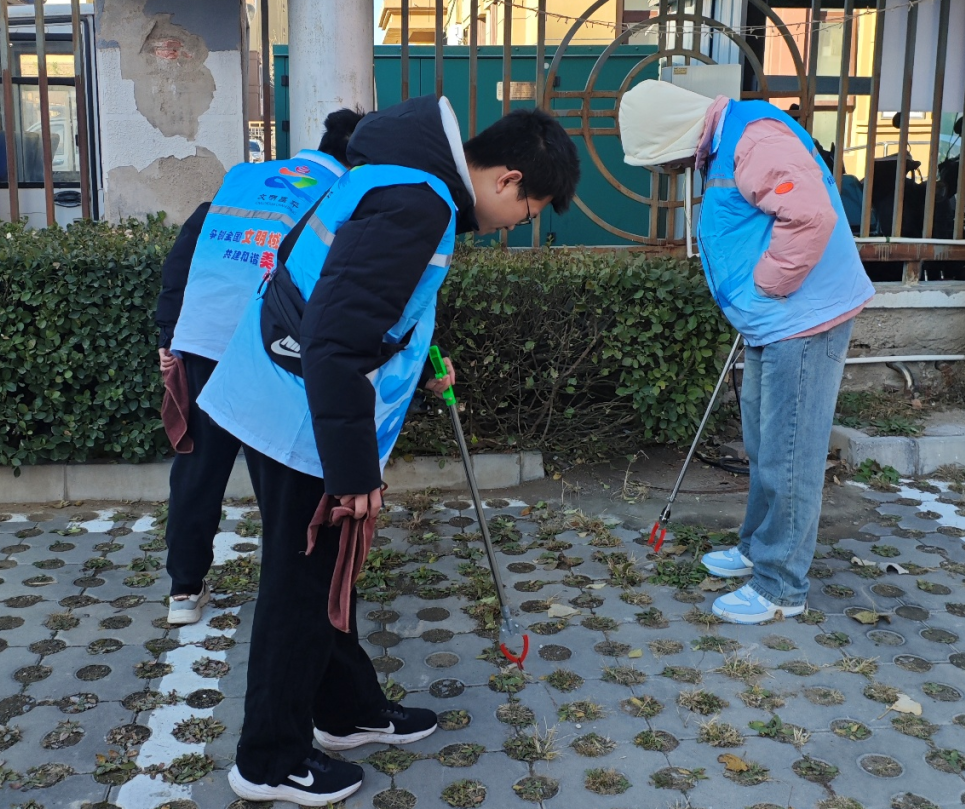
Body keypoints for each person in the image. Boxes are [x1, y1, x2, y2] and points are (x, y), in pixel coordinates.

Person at [197, 94, 580, 806]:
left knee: (321, 578)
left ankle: (346, 711)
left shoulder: (405, 179)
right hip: (298, 414)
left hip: (285, 391)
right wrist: (354, 474)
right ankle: (269, 758)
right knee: (300, 588)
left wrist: (420, 351)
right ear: (509, 179)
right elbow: (335, 338)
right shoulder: (418, 203)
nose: (516, 225)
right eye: (528, 211)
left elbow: (363, 296)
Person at [617, 80, 874, 625]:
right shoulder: (726, 143)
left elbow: (810, 215)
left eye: (664, 161)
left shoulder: (753, 139)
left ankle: (781, 586)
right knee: (765, 445)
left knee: (790, 454)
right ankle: (758, 548)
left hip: (800, 318)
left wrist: (767, 285)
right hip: (773, 321)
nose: (669, 171)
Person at [154, 108, 364, 626]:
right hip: (271, 345)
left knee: (200, 469)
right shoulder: (343, 194)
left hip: (204, 337)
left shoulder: (245, 177)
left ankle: (184, 590)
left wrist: (169, 334)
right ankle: (286, 590)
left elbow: (188, 250)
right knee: (282, 477)